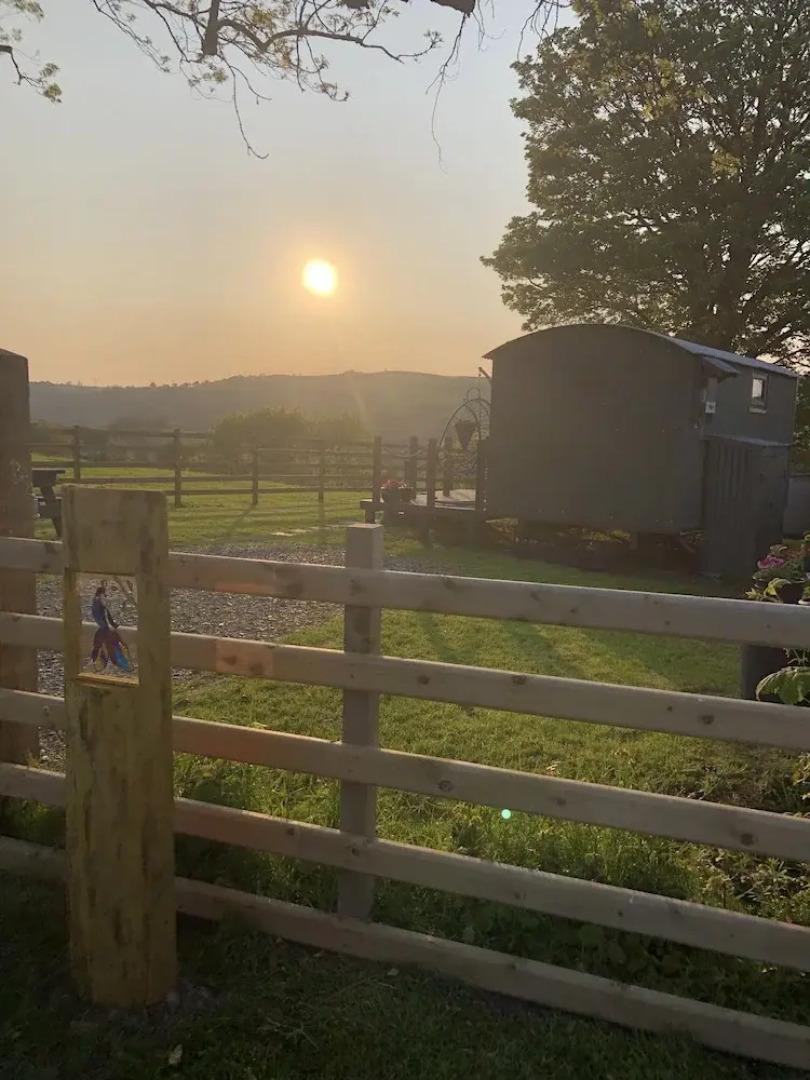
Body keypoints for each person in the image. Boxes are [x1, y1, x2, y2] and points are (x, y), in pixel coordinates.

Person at [90, 582, 132, 673]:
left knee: (107, 646)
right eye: (104, 594)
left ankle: (98, 665)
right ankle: (123, 665)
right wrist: (111, 625)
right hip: (106, 628)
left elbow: (105, 616)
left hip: (105, 628)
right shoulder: (99, 602)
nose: (105, 596)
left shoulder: (97, 602)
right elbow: (104, 616)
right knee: (113, 647)